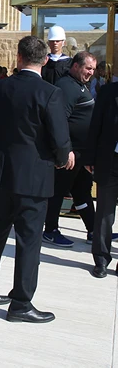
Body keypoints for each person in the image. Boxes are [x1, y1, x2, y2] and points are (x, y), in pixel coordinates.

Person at [0, 36, 72, 323]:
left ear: (18, 57)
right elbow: (59, 137)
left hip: (2, 172)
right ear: (44, 59)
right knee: (28, 240)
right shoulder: (50, 93)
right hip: (33, 177)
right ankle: (21, 303)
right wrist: (62, 157)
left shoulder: (1, 87)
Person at [42, 52, 98, 248]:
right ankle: (50, 230)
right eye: (87, 68)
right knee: (58, 191)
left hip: (82, 154)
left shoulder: (80, 85)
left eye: (93, 69)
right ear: (76, 66)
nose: (91, 72)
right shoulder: (66, 87)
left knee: (82, 191)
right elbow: (59, 121)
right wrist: (67, 150)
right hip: (71, 153)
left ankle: (94, 230)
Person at [87, 79, 118, 278]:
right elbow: (95, 125)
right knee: (105, 211)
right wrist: (90, 157)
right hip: (110, 160)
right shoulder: (108, 92)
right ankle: (101, 259)